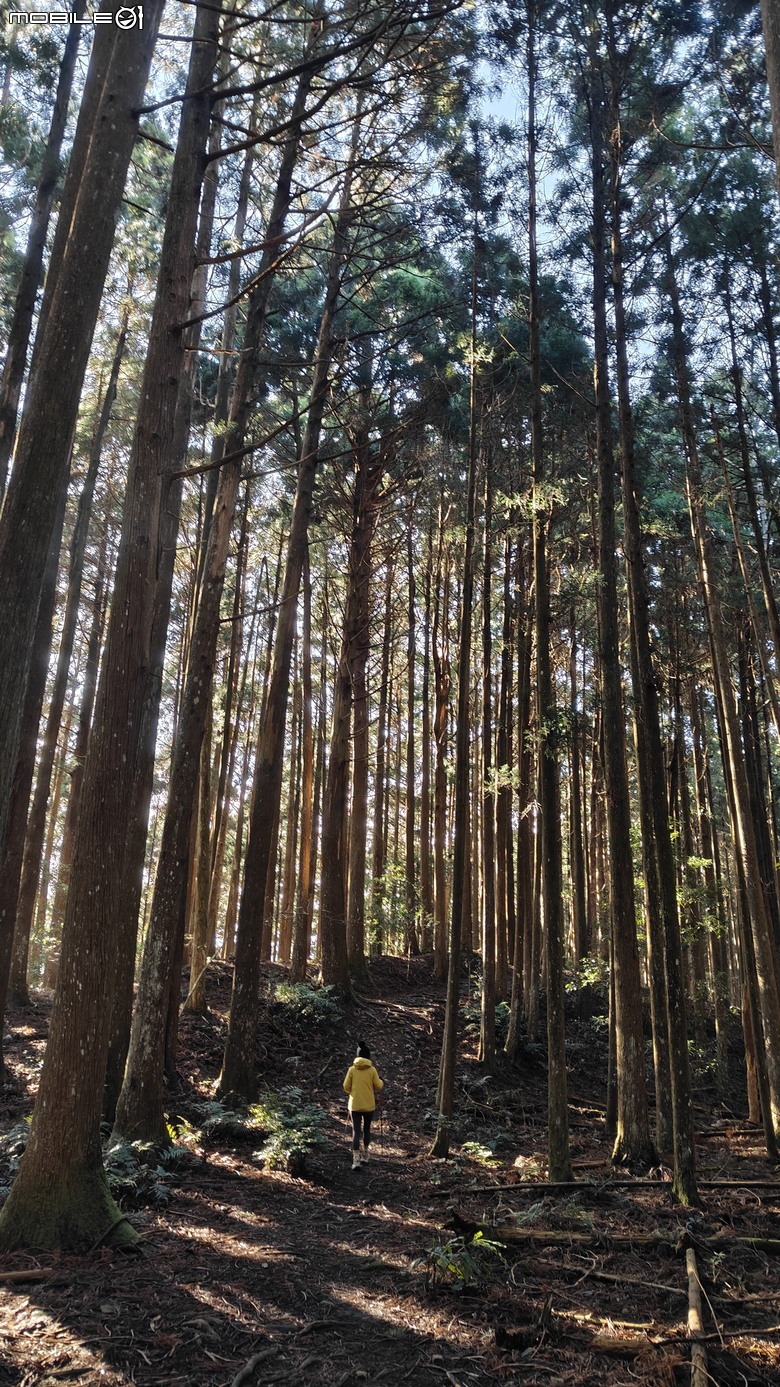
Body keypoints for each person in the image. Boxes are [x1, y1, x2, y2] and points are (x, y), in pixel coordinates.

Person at [343, 1040, 384, 1170]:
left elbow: (346, 1087)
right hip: (368, 1105)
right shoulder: (372, 1070)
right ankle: (365, 1155)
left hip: (354, 1105)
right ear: (368, 1056)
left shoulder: (352, 1070)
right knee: (366, 1129)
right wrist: (381, 1082)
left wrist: (353, 1091)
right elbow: (378, 1086)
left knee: (356, 1131)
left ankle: (356, 1161)